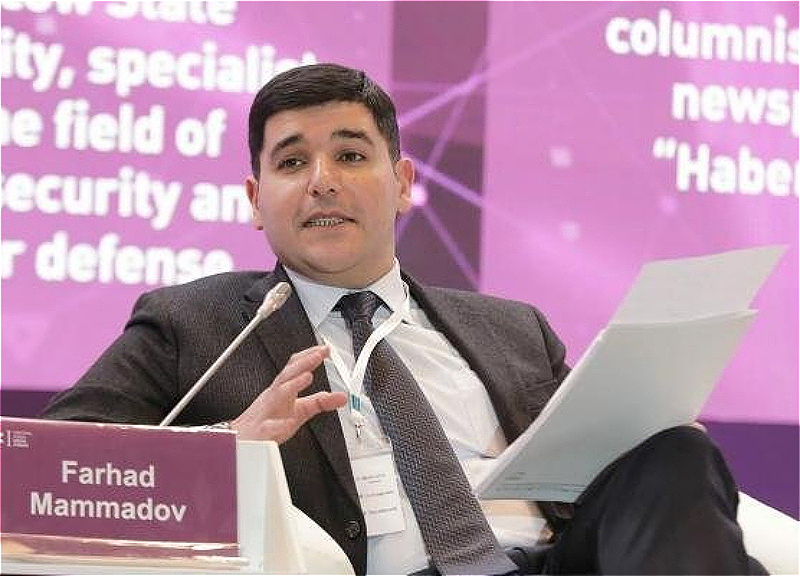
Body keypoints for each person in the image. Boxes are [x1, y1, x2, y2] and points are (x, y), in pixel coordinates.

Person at [42, 63, 764, 575]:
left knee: (673, 451)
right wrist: (226, 447)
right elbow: (48, 467)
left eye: (350, 154)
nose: (322, 179)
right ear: (257, 202)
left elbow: (599, 474)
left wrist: (643, 440)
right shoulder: (193, 323)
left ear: (402, 184)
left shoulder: (515, 329)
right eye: (292, 163)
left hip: (554, 562)